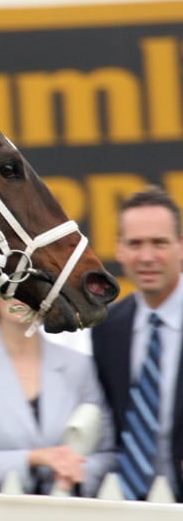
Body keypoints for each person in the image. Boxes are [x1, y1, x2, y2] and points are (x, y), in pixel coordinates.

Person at [0, 290, 116, 496]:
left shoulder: (78, 365)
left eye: (30, 284)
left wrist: (74, 471)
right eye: (8, 285)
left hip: (67, 505)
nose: (20, 293)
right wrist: (33, 459)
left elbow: (106, 453)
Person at [92, 185, 183, 501]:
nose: (146, 257)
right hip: (127, 502)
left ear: (181, 246)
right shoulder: (107, 327)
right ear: (118, 249)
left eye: (159, 243)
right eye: (135, 244)